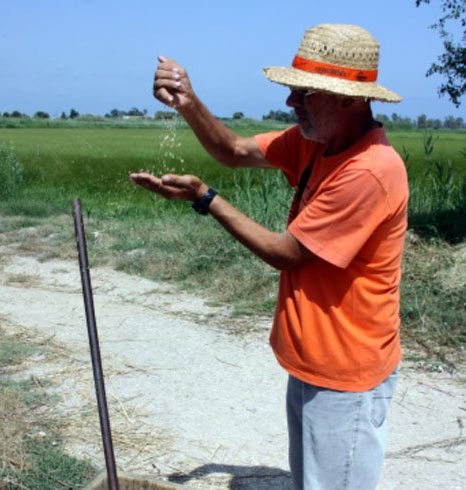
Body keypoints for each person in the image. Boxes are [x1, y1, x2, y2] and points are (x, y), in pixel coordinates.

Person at [130, 23, 408, 490]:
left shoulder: (369, 171)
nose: (290, 102)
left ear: (347, 99)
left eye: (304, 91)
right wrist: (188, 102)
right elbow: (234, 150)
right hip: (316, 361)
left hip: (346, 372)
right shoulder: (317, 144)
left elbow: (286, 253)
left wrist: (205, 197)